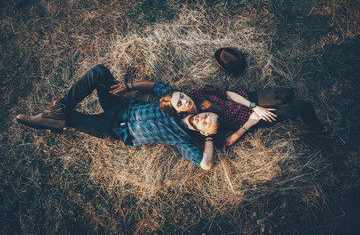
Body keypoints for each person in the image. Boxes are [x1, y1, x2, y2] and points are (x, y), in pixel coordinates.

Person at [15, 64, 220, 170]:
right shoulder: (178, 103)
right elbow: (154, 87)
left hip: (115, 130)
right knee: (99, 72)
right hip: (121, 106)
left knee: (72, 120)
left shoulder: (182, 140)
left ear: (203, 132)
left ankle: (53, 119)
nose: (203, 119)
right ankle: (58, 109)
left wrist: (208, 138)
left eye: (207, 124)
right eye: (206, 116)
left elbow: (205, 164)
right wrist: (129, 86)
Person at [159, 86, 327, 147]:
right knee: (304, 107)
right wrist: (250, 122)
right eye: (179, 104)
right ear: (178, 111)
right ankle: (316, 127)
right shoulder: (197, 126)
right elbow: (224, 142)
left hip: (248, 100)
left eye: (181, 95)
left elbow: (227, 94)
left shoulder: (197, 93)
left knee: (286, 95)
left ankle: (285, 111)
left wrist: (255, 105)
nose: (185, 100)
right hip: (252, 119)